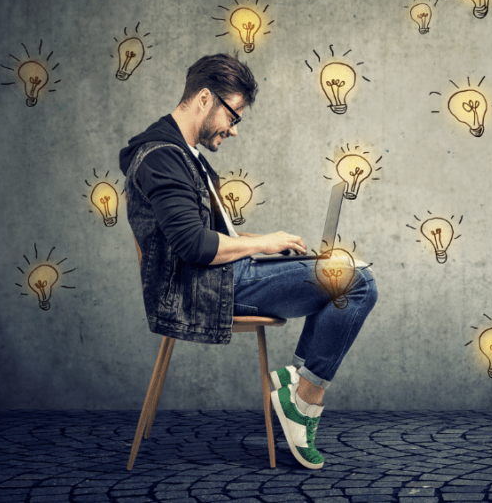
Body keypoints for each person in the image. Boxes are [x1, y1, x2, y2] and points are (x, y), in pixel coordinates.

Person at [118, 52, 377, 470]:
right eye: (233, 115)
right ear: (205, 98)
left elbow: (209, 232)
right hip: (203, 289)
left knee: (346, 274)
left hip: (219, 278)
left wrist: (266, 242)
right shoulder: (162, 157)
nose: (234, 129)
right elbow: (194, 246)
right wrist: (263, 244)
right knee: (357, 282)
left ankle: (298, 385)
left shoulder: (183, 154)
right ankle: (303, 399)